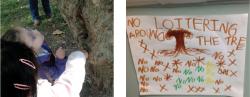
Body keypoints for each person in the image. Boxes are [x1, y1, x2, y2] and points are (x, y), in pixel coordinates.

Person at [1, 40, 88, 97]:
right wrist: (77, 57)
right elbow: (68, 87)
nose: (35, 30)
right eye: (31, 36)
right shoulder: (42, 73)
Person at [2, 27, 67, 84]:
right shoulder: (41, 69)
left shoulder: (37, 47)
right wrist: (60, 60)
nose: (35, 31)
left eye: (28, 29)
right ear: (28, 52)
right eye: (32, 37)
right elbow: (57, 74)